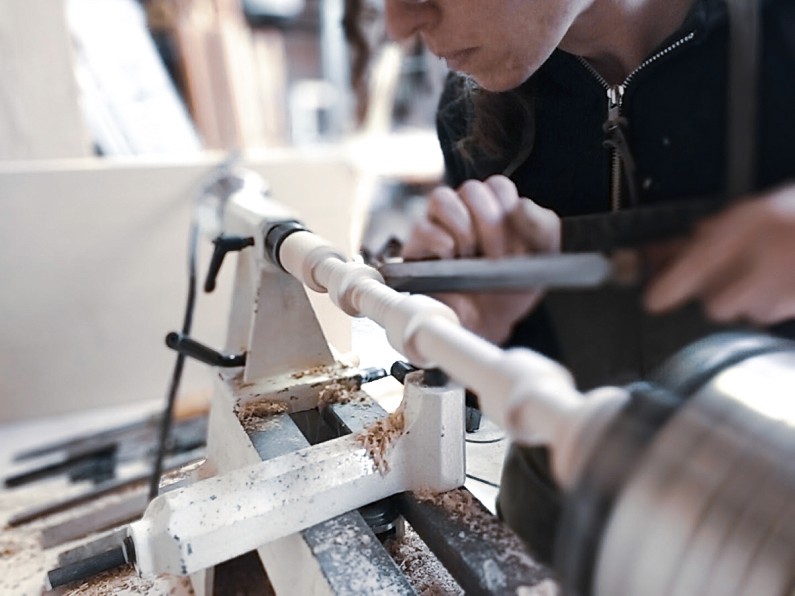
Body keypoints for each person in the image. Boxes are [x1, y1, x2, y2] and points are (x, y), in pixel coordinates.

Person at [353, 0, 795, 564]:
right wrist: (479, 341)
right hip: (567, 528)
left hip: (767, 532)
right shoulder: (472, 115)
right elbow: (511, 390)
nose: (400, 24)